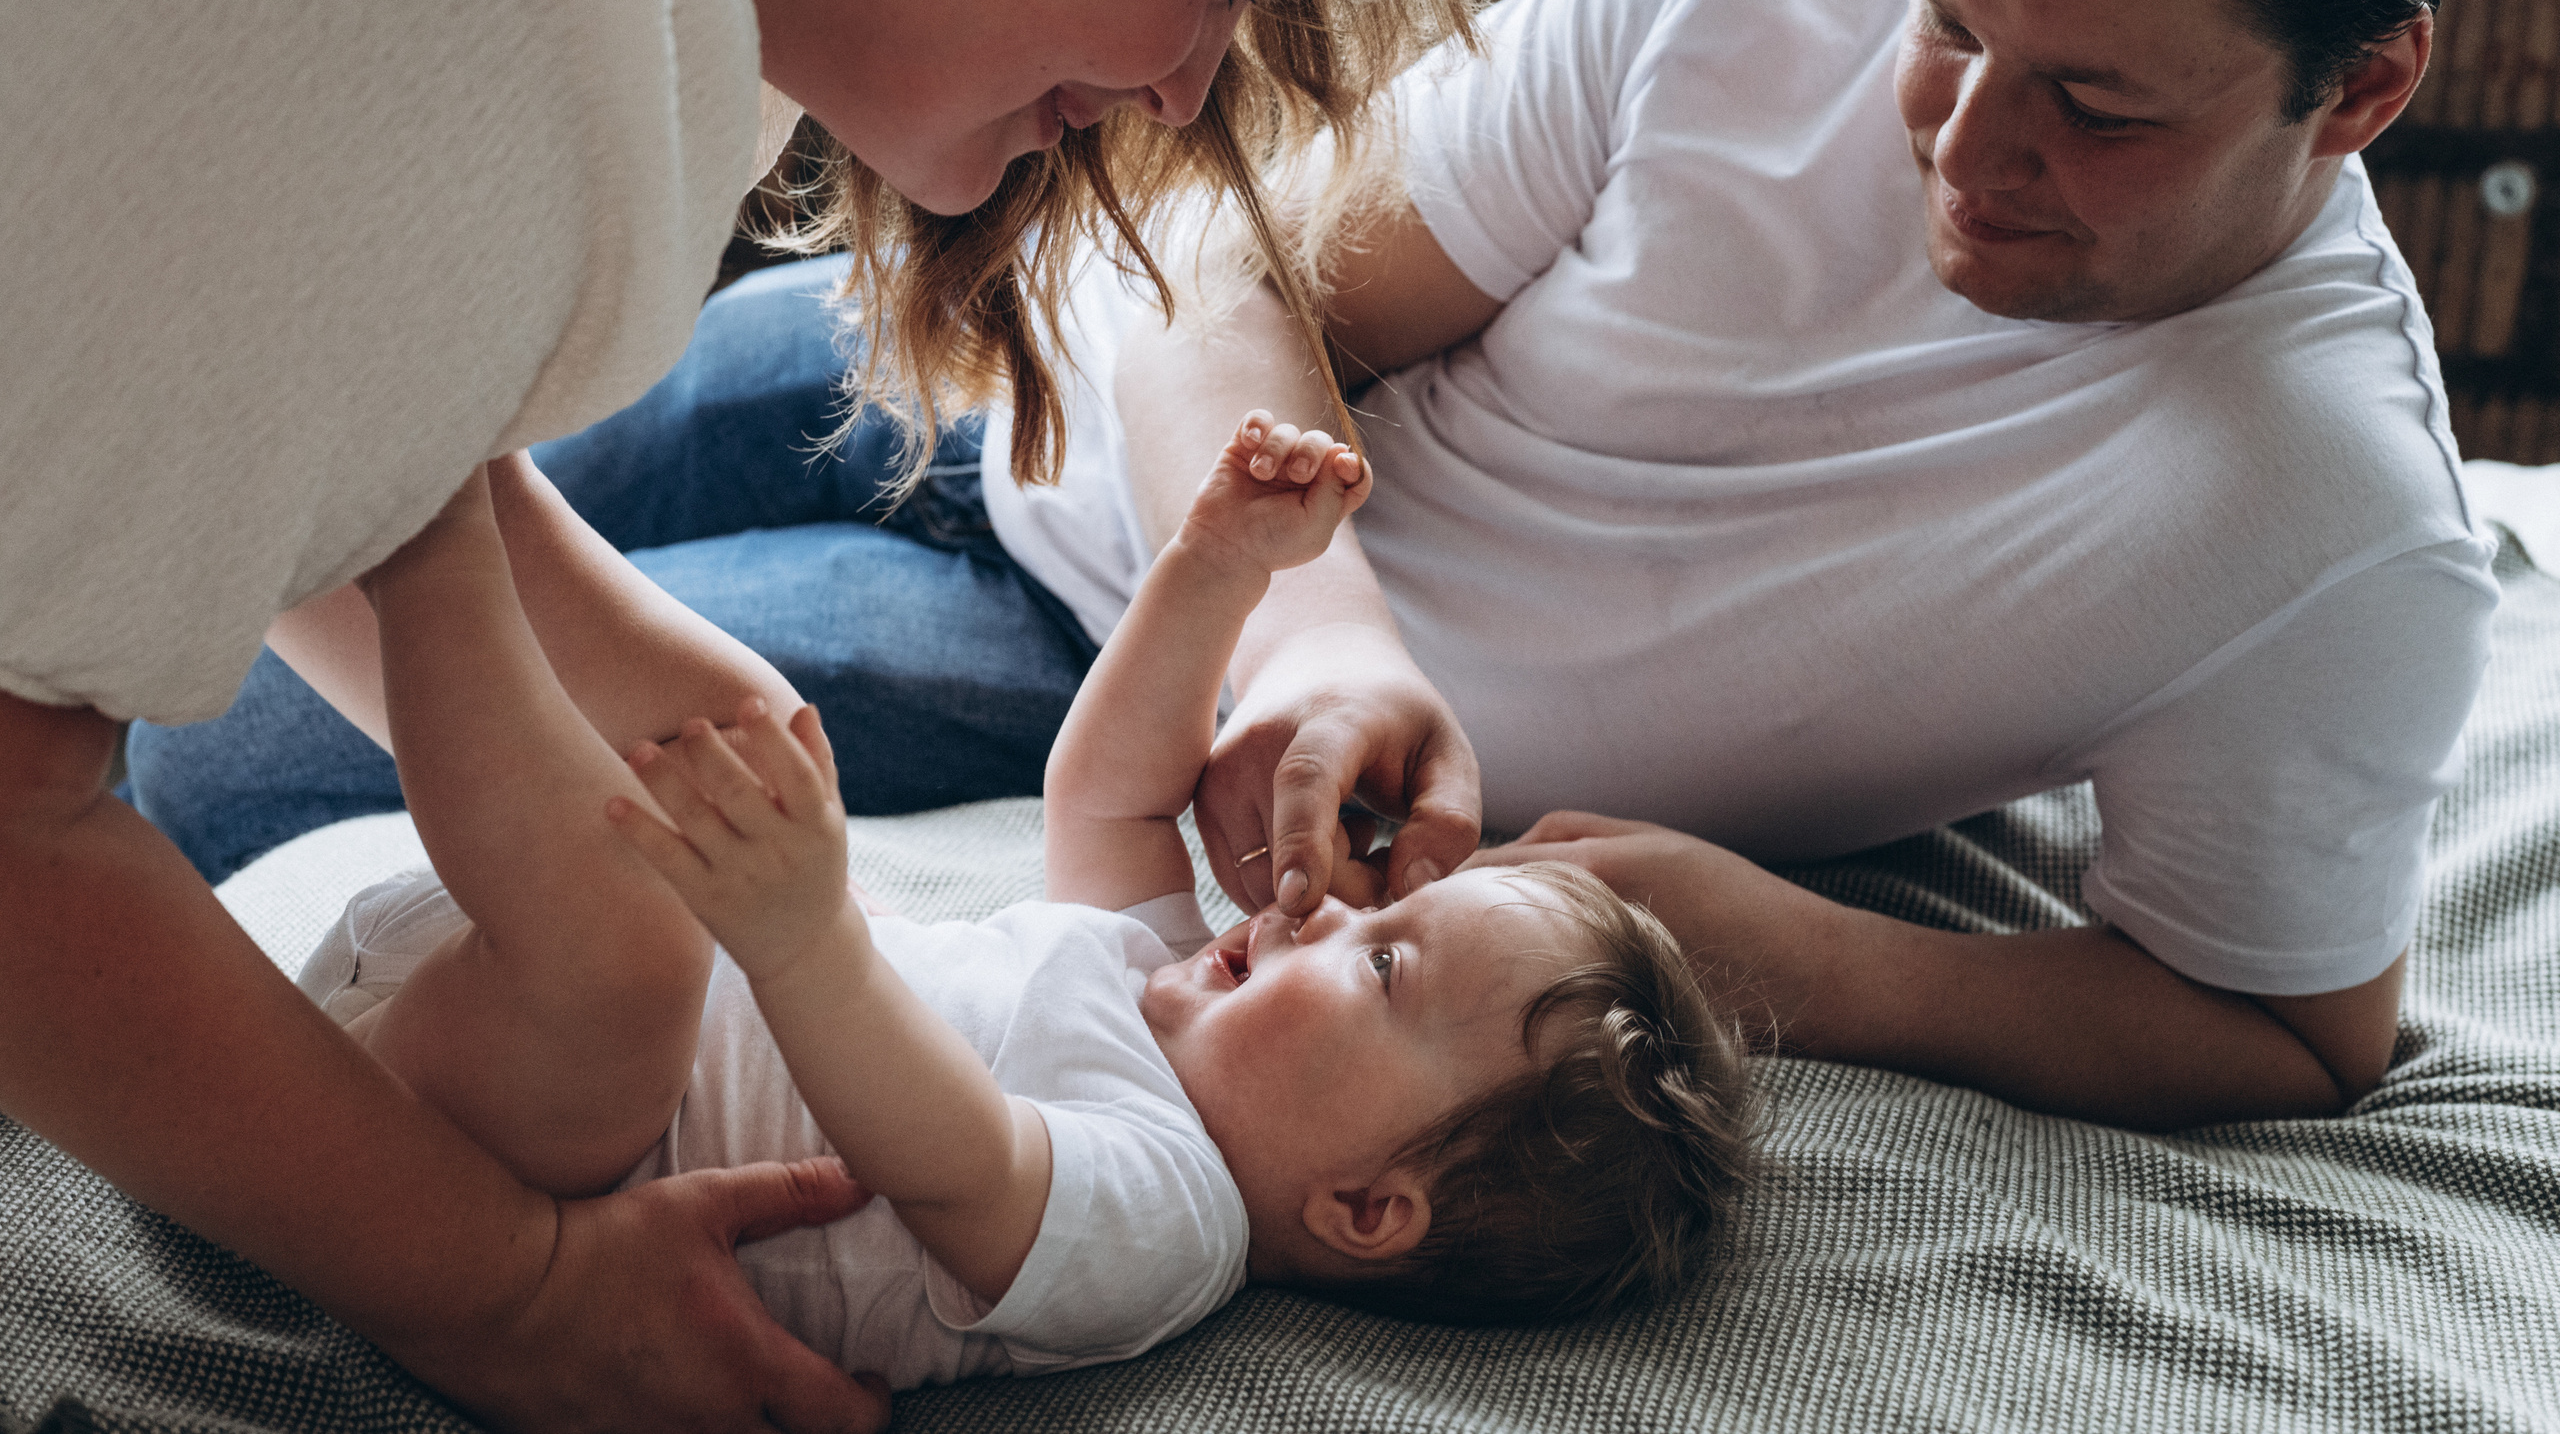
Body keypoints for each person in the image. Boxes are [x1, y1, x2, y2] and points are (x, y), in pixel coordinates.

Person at [156, 0, 2531, 1142]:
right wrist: (1313, 620)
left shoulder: (2322, 530)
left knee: (216, 756)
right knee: (276, 430)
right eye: (1944, 21)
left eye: (2090, 104)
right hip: (993, 378)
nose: (1952, 141)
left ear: (2360, 91)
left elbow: (2287, 1029)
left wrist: (1789, 950)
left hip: (1044, 685)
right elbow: (1205, 243)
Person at [0, 0, 1571, 1424]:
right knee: (624, 914)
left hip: (531, 999)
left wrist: (461, 541)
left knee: (722, 741)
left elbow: (303, 377)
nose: (1194, 87)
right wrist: (506, 1283)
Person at [298, 418, 1753, 1388]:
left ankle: (430, 542)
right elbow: (1104, 797)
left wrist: (807, 934)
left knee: (642, 945)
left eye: (1380, 968)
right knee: (749, 728)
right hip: (530, 984)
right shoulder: (1165, 976)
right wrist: (1214, 571)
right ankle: (381, 451)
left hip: (537, 1139)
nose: (1321, 916)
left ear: (1367, 1205)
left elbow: (954, 1156)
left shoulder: (1167, 1228)